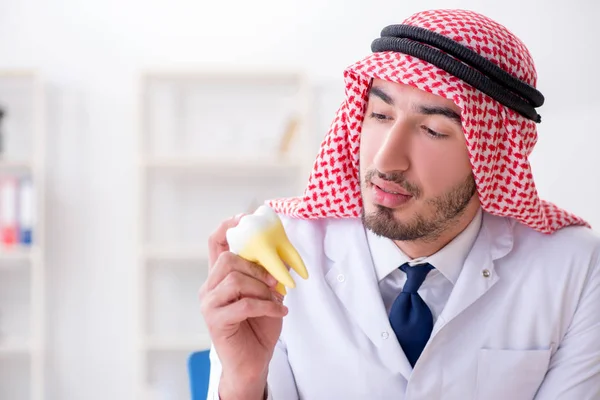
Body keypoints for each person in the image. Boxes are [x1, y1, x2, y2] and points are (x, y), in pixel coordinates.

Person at [198, 8, 600, 400]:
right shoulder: (278, 252)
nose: (385, 160)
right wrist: (244, 382)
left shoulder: (576, 269)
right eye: (379, 114)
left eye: (432, 130)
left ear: (492, 153)